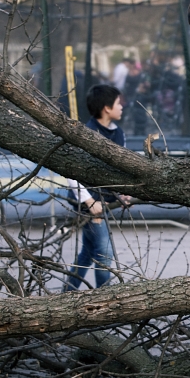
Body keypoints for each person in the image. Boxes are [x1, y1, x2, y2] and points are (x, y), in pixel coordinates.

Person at [64, 85, 129, 292]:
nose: (122, 107)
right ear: (107, 108)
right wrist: (89, 201)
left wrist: (124, 192)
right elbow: (71, 172)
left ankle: (68, 292)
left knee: (88, 252)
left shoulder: (119, 134)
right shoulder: (86, 133)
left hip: (104, 201)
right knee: (104, 252)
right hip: (87, 201)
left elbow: (120, 167)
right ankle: (105, 297)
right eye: (119, 103)